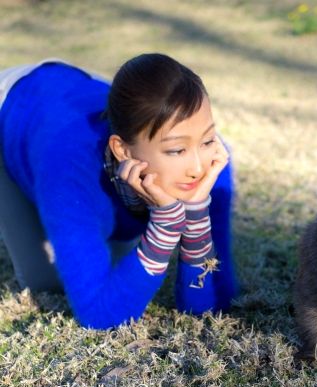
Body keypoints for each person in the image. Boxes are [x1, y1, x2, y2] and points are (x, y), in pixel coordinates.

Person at [0, 53, 237, 329]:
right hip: (14, 114)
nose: (197, 168)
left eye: (207, 139)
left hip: (80, 96)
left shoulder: (214, 164)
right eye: (177, 150)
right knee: (47, 283)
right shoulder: (67, 171)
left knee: (118, 261)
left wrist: (196, 216)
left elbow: (212, 305)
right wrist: (165, 225)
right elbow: (99, 316)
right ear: (123, 150)